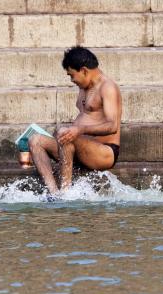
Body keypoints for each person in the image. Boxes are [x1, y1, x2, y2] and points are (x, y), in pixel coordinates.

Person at [28, 46, 122, 195]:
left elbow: (113, 126)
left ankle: (66, 193)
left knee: (66, 136)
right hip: (80, 149)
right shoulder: (84, 86)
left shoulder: (108, 87)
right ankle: (53, 193)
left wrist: (80, 130)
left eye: (72, 75)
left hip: (104, 152)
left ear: (84, 70)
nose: (72, 80)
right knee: (35, 140)